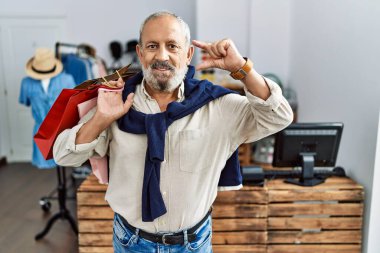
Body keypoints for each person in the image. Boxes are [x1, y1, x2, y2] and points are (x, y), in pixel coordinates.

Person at [53, 11, 293, 253]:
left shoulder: (217, 105)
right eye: (152, 46)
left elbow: (280, 116)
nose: (162, 56)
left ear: (188, 54)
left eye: (172, 46)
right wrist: (100, 119)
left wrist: (242, 68)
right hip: (130, 242)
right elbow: (63, 155)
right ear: (140, 53)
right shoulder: (115, 102)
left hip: (194, 244)